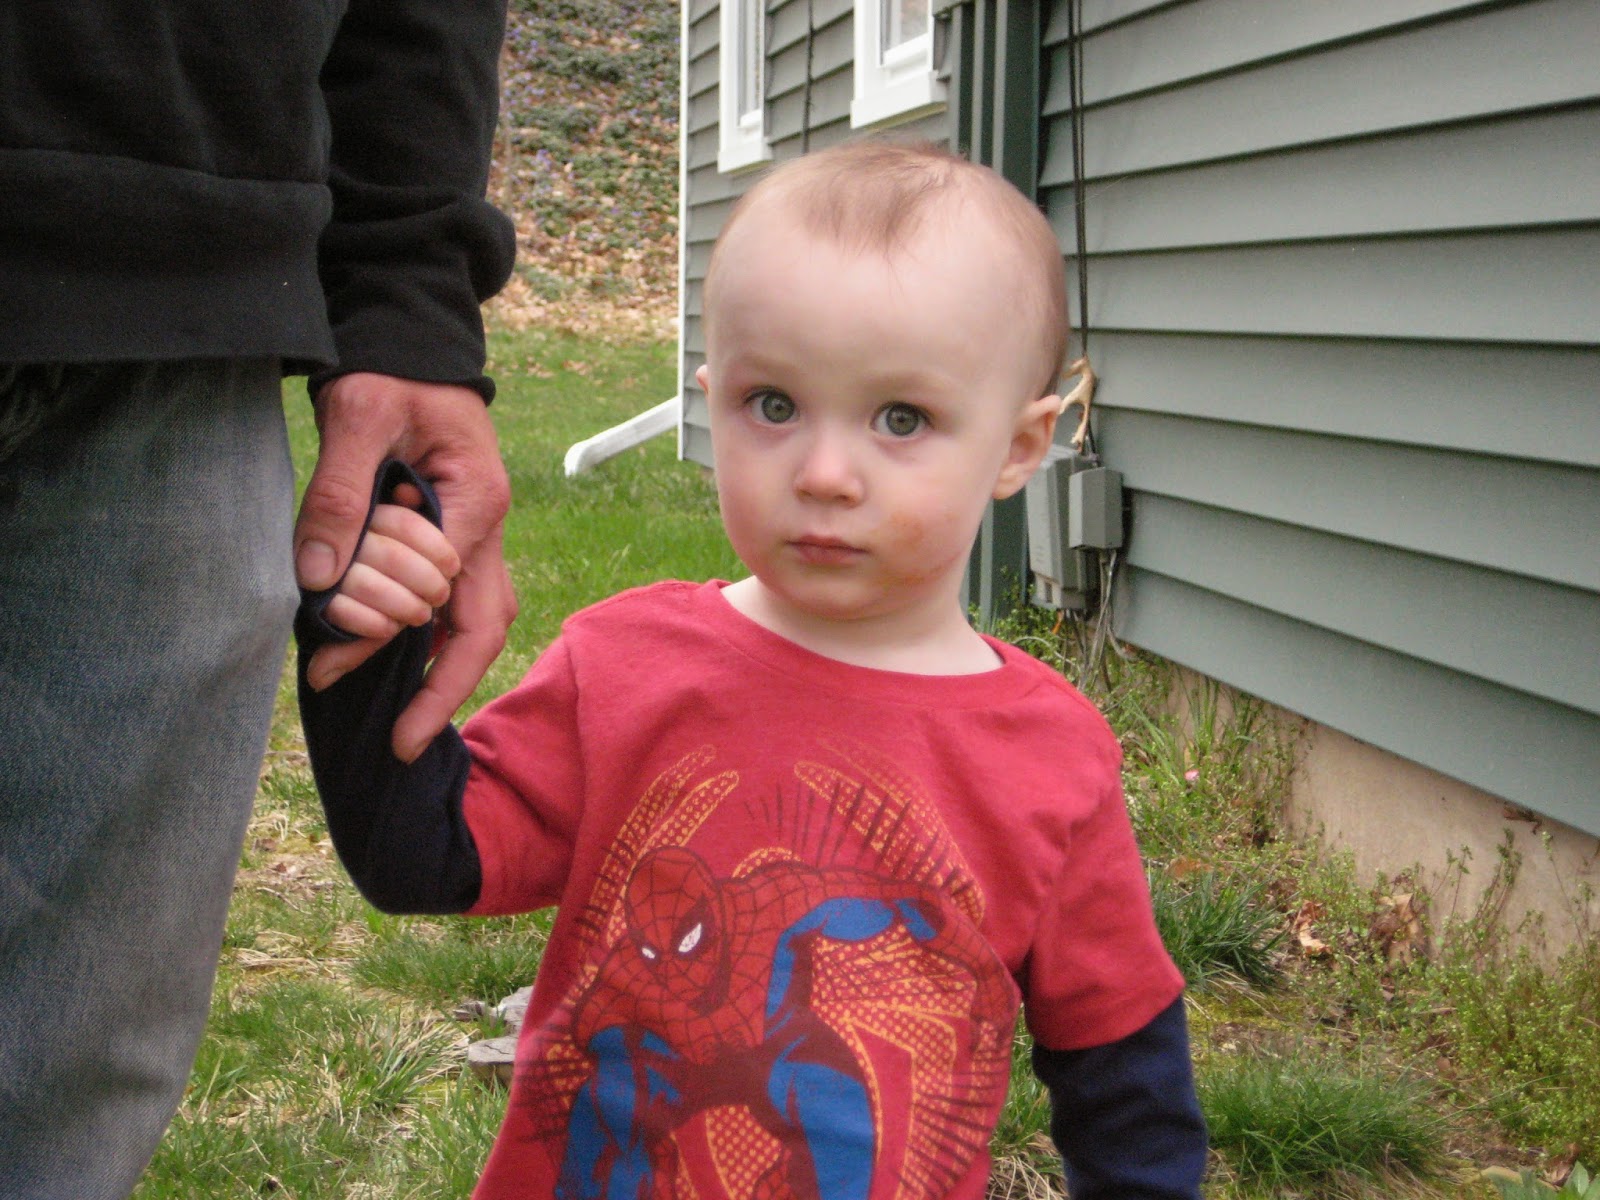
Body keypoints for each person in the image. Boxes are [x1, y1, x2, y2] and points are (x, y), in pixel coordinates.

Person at [297, 139, 1207, 1199]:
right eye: (772, 405)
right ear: (709, 398)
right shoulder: (626, 665)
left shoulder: (1051, 755)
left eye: (901, 419)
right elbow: (416, 856)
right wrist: (367, 643)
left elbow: (1122, 1068)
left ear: (1017, 446)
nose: (823, 474)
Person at [0, 4, 518, 1198]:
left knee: (60, 1114)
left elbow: (424, 856)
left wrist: (408, 299)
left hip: (180, 307)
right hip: (189, 285)